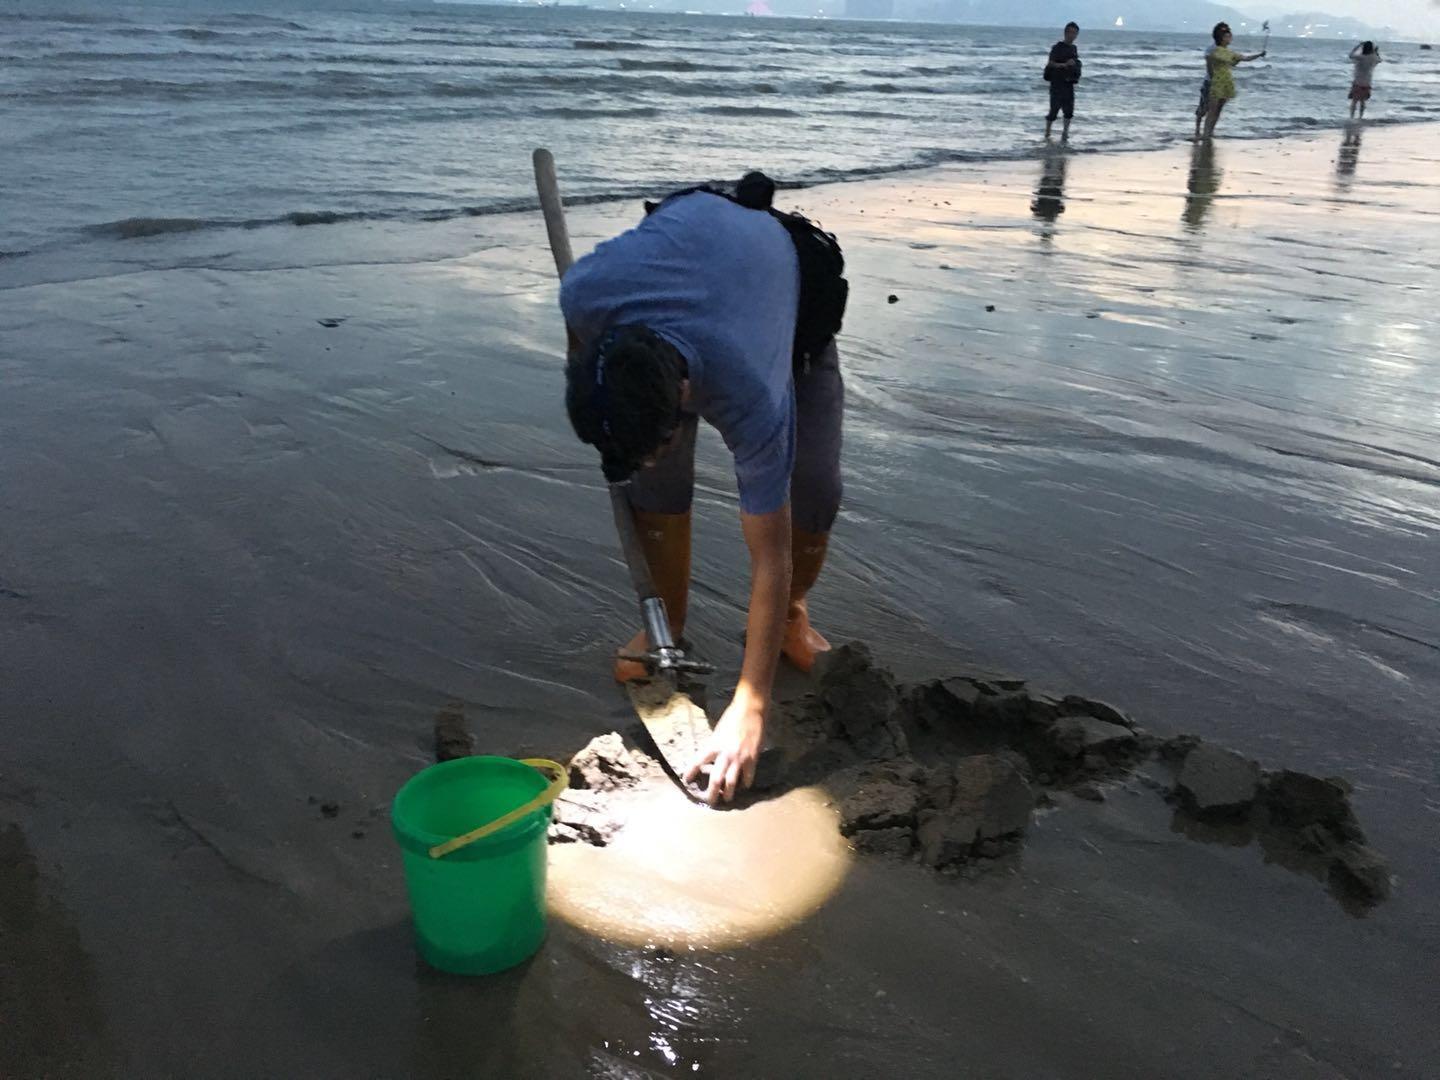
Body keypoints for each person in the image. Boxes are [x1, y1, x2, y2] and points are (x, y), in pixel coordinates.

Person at [560, 180, 845, 805]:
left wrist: (751, 705)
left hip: (791, 313)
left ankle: (792, 616)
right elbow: (583, 354)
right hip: (688, 277)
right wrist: (610, 417)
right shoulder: (584, 294)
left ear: (684, 402)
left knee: (816, 489)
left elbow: (767, 557)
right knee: (650, 478)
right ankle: (669, 627)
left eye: (661, 436)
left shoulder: (750, 389)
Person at [1202, 22, 1265, 138]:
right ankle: (1205, 133)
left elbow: (1246, 58)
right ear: (1221, 38)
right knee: (1212, 109)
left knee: (1218, 110)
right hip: (1216, 82)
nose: (1230, 38)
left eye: (1230, 36)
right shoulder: (1214, 51)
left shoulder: (1230, 53)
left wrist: (1259, 55)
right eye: (1227, 36)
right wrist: (1212, 80)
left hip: (1226, 81)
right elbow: (1209, 67)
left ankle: (1210, 132)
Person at [1043, 22, 1082, 141]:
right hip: (1056, 83)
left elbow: (1075, 62)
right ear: (1065, 33)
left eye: (1074, 33)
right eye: (1070, 32)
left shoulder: (1074, 48)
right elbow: (1050, 63)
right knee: (1053, 110)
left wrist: (1075, 65)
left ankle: (1065, 133)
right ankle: (1047, 133)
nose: (1072, 35)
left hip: (1069, 83)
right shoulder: (1057, 47)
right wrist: (1064, 65)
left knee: (1069, 111)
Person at [1193, 26, 1223, 141]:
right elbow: (1209, 66)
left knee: (1215, 109)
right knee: (1203, 108)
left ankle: (1209, 131)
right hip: (1210, 82)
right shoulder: (1211, 49)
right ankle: (1197, 131)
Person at [1349, 41, 1382, 119]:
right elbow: (1379, 60)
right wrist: (1376, 52)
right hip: (1367, 82)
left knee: (1354, 101)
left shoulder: (1361, 57)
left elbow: (1351, 55)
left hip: (1358, 81)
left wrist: (1358, 46)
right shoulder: (1373, 58)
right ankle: (1360, 117)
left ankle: (1352, 117)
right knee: (1362, 101)